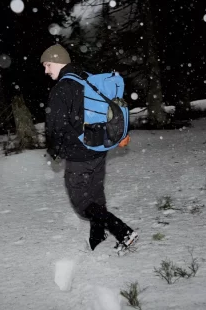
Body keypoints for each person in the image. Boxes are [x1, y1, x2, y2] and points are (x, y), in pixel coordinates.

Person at [41, 44, 138, 254]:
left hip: (79, 152)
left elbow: (55, 125)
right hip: (99, 145)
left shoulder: (62, 89)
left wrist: (54, 150)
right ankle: (97, 234)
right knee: (95, 191)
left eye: (48, 65)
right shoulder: (86, 77)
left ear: (58, 61)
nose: (46, 70)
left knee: (81, 201)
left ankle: (121, 230)